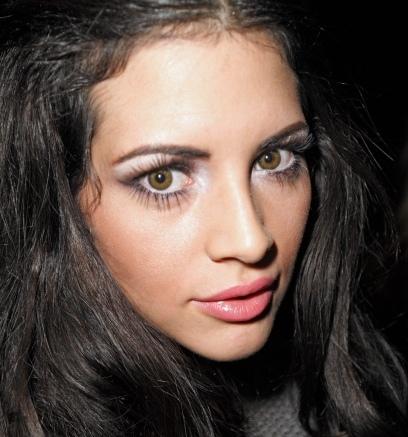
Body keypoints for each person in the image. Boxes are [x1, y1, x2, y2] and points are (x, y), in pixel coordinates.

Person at [0, 1, 407, 436]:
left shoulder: (351, 393)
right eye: (163, 178)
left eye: (274, 158)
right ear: (55, 193)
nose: (251, 240)